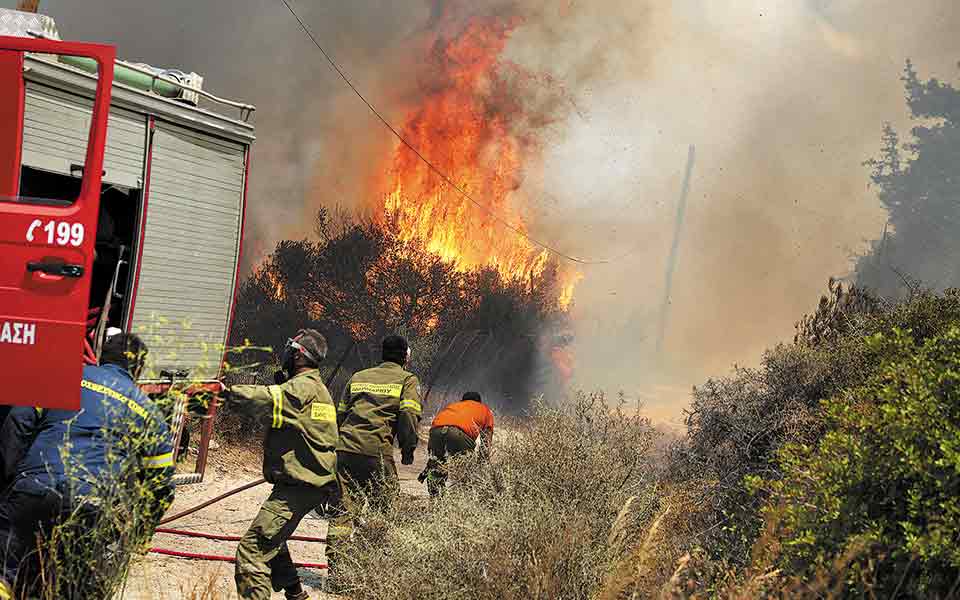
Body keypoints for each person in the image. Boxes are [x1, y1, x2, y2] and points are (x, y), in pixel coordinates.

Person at [0, 333, 174, 598]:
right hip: (90, 506)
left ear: (102, 357)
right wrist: (140, 535)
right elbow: (161, 486)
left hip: (34, 489)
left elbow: (18, 422)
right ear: (138, 369)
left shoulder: (62, 377)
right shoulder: (148, 413)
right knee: (73, 587)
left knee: (6, 575)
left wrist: (9, 477)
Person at [225, 329, 339, 600]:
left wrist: (224, 393)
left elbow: (263, 399)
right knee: (274, 537)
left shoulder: (302, 388)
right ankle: (296, 594)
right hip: (308, 483)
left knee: (252, 550)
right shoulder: (317, 388)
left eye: (290, 350)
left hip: (299, 487)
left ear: (299, 357)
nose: (285, 355)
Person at [328, 335, 422, 576]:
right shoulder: (407, 380)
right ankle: (370, 569)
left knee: (342, 511)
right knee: (384, 510)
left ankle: (337, 572)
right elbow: (409, 416)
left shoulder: (358, 377)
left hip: (345, 450)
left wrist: (336, 446)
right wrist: (408, 448)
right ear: (406, 358)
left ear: (382, 354)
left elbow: (339, 415)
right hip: (376, 454)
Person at [419, 391, 495, 497]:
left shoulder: (453, 406)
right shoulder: (485, 410)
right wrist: (482, 462)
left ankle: (436, 499)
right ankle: (460, 500)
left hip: (436, 432)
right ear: (479, 402)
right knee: (464, 470)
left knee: (437, 465)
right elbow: (486, 440)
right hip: (458, 434)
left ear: (462, 400)